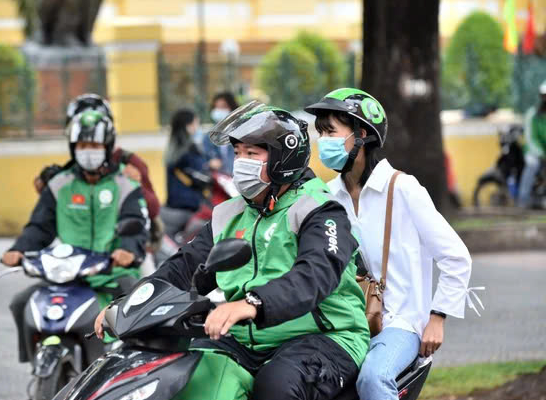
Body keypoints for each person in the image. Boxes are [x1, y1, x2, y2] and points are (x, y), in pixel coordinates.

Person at [96, 102, 370, 400]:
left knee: (276, 386)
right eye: (238, 153)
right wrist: (128, 305)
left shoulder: (320, 210)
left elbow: (314, 276)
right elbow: (183, 267)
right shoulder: (229, 214)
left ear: (283, 159)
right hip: (246, 337)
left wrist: (252, 304)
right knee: (186, 372)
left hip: (325, 337)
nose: (241, 163)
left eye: (253, 154)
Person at [304, 88, 475, 400]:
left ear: (362, 135)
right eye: (320, 133)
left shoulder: (403, 189)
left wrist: (436, 318)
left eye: (330, 132)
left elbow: (456, 257)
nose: (322, 141)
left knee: (374, 378)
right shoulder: (326, 195)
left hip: (401, 324)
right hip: (344, 324)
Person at [2, 109, 149, 362]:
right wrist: (19, 249)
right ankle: (36, 362)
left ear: (107, 146)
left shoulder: (126, 183)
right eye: (82, 145)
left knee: (140, 309)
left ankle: (136, 366)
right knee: (20, 303)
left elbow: (135, 222)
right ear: (73, 148)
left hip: (112, 273)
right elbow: (40, 225)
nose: (88, 151)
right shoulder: (60, 184)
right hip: (67, 274)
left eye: (94, 144)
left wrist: (128, 249)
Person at [34, 93, 164, 255]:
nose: (88, 138)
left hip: (131, 247)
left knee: (144, 277)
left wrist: (135, 186)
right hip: (84, 250)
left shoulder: (128, 162)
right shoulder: (74, 168)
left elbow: (152, 208)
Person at [161, 108, 220, 237]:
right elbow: (203, 177)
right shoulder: (190, 149)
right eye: (196, 123)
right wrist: (210, 166)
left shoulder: (172, 150)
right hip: (189, 207)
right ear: (188, 126)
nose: (197, 127)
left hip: (173, 204)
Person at [518, 81, 546, 208]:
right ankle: (523, 198)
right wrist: (541, 153)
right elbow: (530, 138)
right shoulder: (532, 114)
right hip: (533, 152)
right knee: (533, 164)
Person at [203, 91, 239, 174]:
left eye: (223, 107)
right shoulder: (208, 137)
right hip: (220, 182)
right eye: (216, 107)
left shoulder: (241, 133)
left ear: (232, 108)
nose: (219, 111)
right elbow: (204, 160)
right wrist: (210, 163)